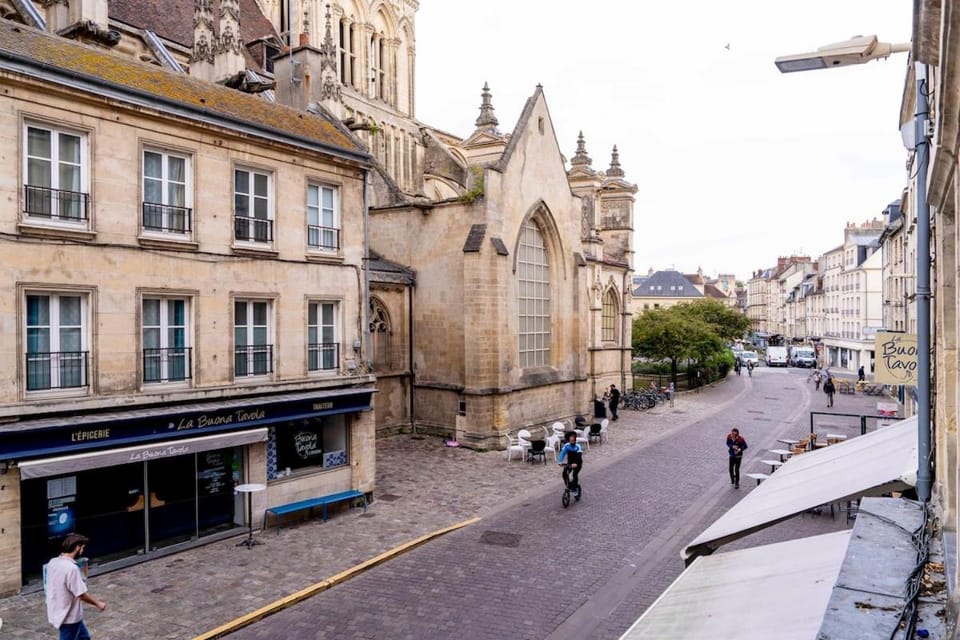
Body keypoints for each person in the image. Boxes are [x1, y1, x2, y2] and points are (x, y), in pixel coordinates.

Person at [45, 533, 107, 640]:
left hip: (58, 610)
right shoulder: (71, 569)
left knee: (84, 637)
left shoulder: (52, 563)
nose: (83, 551)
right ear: (77, 547)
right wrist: (98, 603)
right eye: (82, 548)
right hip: (70, 616)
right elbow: (81, 594)